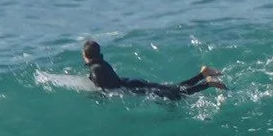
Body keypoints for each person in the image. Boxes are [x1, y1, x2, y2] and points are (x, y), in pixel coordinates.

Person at [81, 40, 224, 100]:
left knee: (176, 95)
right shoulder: (101, 63)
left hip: (131, 88)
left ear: (86, 55)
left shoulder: (95, 69)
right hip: (132, 83)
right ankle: (203, 74)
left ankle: (208, 83)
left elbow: (103, 90)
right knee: (173, 88)